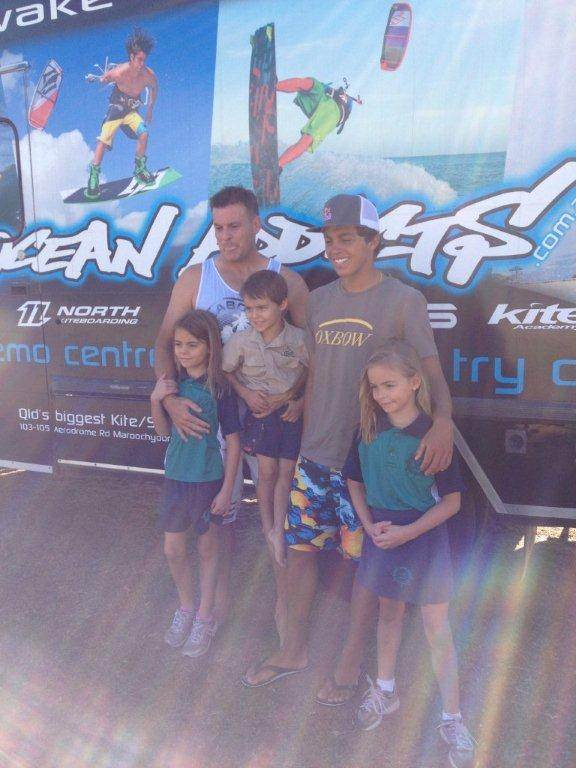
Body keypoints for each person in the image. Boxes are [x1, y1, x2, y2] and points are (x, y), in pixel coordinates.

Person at [242, 193, 454, 692]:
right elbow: (317, 374)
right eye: (329, 239)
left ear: (373, 242)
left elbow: (428, 369)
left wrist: (443, 421)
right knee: (300, 552)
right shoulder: (318, 302)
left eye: (346, 239)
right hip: (314, 458)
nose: (334, 248)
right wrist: (299, 436)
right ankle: (293, 651)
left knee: (365, 568)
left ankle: (348, 666)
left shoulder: (403, 300)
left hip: (367, 465)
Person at [154, 186, 309, 626]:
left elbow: (313, 353)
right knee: (219, 516)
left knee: (277, 517)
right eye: (218, 227)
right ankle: (215, 607)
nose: (225, 236)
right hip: (212, 424)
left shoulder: (286, 281)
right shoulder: (195, 279)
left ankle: (285, 609)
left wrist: (299, 400)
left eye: (235, 226)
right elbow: (164, 342)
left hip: (268, 421)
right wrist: (171, 399)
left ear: (256, 224)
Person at [342, 341, 475, 767]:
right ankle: (385, 691)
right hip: (383, 537)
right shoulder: (367, 430)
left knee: (437, 628)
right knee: (389, 615)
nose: (381, 395)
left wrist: (409, 532)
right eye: (375, 387)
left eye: (390, 385)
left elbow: (452, 502)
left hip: (424, 540)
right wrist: (368, 525)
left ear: (415, 382)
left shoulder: (433, 435)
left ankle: (452, 718)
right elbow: (354, 481)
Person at [222, 271, 308, 640]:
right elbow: (226, 372)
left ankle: (278, 528)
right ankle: (269, 527)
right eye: (249, 309)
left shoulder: (298, 339)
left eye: (262, 308)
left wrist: (296, 399)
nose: (254, 315)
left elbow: (309, 372)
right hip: (260, 414)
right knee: (266, 472)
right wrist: (245, 393)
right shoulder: (241, 341)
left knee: (287, 473)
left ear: (282, 306)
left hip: (288, 414)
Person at [150, 310, 240, 658]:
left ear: (210, 347)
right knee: (173, 549)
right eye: (178, 345)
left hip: (208, 480)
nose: (184, 352)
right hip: (175, 478)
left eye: (192, 345)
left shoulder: (220, 389)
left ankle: (204, 616)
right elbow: (162, 432)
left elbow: (233, 441)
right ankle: (186, 607)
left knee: (207, 550)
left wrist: (227, 490)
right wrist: (156, 398)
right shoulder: (171, 385)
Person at [85, 28, 158, 199]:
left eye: (144, 60)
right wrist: (98, 79)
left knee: (144, 134)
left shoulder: (148, 75)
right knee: (103, 140)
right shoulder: (118, 72)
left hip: (131, 112)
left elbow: (155, 88)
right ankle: (93, 177)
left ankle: (139, 170)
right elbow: (105, 78)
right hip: (116, 109)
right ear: (132, 57)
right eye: (139, 60)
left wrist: (150, 108)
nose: (142, 64)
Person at [277, 78, 360, 170]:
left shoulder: (343, 105)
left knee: (308, 139)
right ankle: (273, 86)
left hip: (334, 110)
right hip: (324, 95)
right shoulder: (337, 91)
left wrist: (356, 100)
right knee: (308, 83)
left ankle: (278, 165)